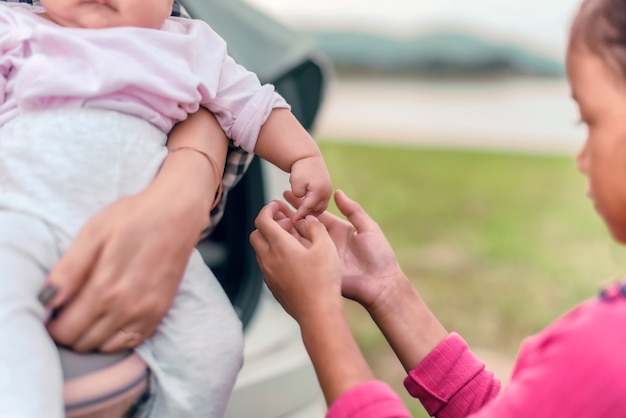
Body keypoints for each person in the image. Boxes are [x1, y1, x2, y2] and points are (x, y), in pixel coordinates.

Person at [249, 0, 626, 416]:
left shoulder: (608, 348)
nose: (582, 157)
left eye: (589, 120)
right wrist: (387, 288)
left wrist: (318, 312)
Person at [0, 1, 332, 417]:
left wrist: (303, 157)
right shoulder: (14, 28)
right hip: (23, 217)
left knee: (217, 343)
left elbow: (254, 106)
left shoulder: (189, 46)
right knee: (6, 304)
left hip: (151, 243)